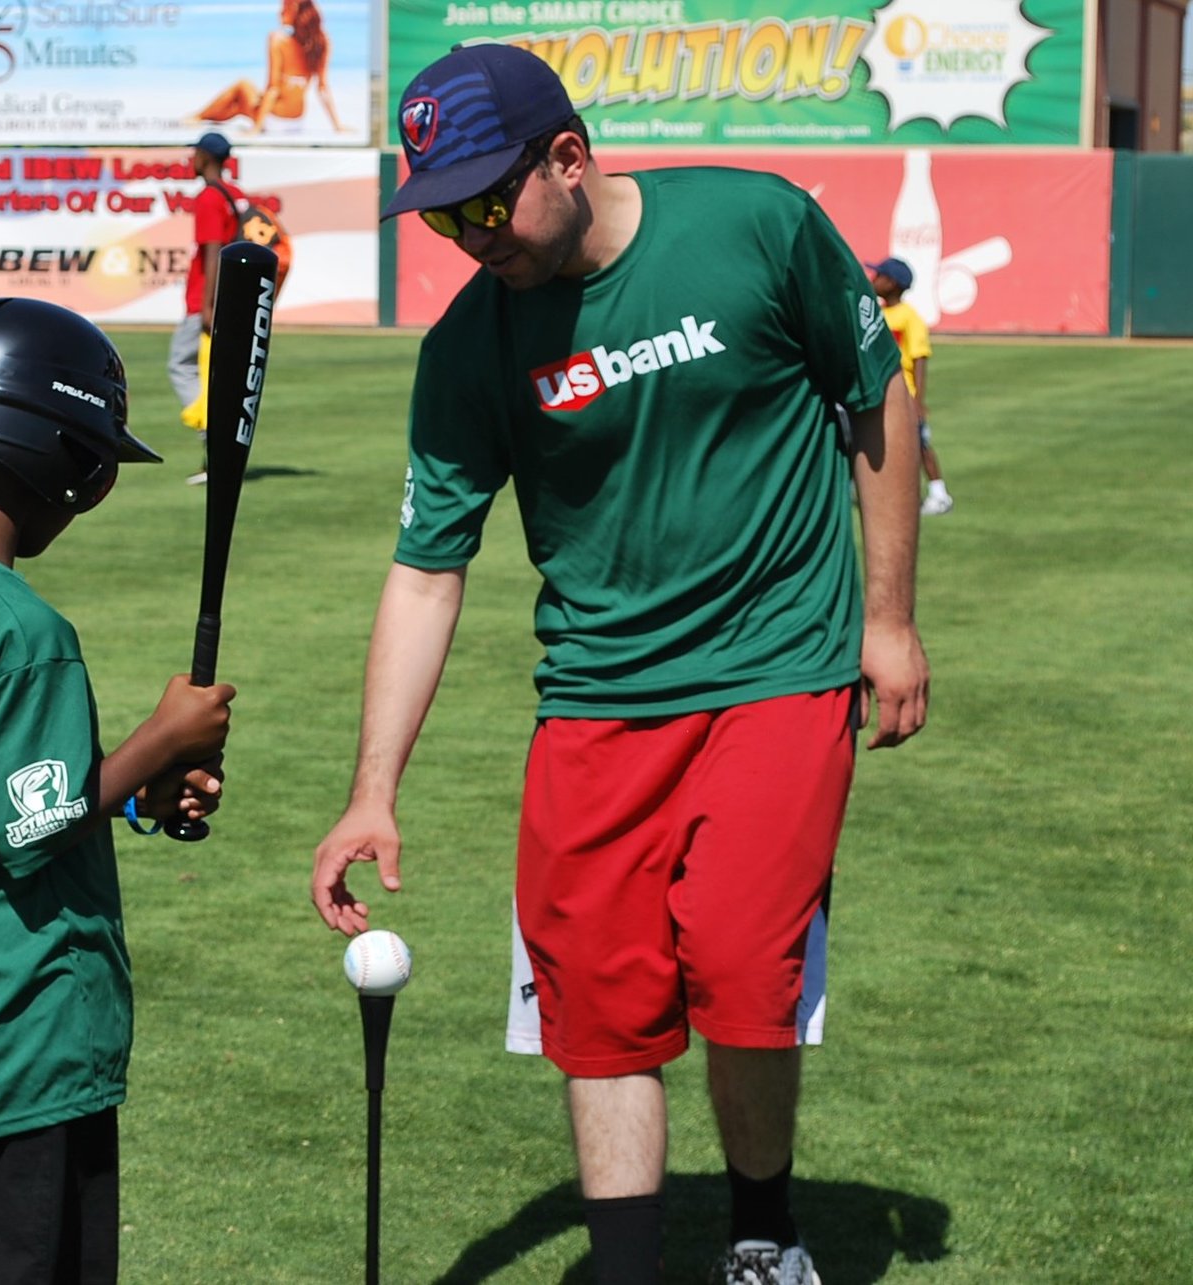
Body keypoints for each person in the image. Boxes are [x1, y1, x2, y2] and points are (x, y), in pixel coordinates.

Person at [309, 44, 929, 1285]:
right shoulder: (470, 345)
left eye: (488, 201)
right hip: (595, 695)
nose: (467, 234)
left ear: (570, 158)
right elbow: (429, 568)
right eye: (441, 212)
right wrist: (374, 784)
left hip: (777, 665)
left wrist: (890, 618)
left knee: (745, 961)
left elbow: (876, 395)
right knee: (594, 998)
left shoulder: (754, 224)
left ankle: (763, 1236)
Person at [0, 297, 236, 1284]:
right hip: (26, 1044)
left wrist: (134, 785)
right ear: (59, 456)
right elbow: (35, 825)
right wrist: (167, 737)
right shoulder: (24, 630)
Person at [167, 131, 245, 485]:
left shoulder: (210, 198)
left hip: (206, 299)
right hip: (231, 298)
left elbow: (214, 250)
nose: (191, 158)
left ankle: (211, 431)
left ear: (205, 156)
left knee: (180, 364)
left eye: (195, 152)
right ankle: (215, 448)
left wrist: (208, 304)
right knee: (213, 372)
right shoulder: (235, 195)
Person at [867, 256, 952, 516]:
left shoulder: (909, 318)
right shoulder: (876, 313)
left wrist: (917, 401)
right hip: (880, 393)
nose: (873, 279)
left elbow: (919, 357)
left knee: (919, 446)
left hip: (905, 394)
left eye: (878, 275)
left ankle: (940, 494)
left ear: (891, 284)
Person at [193, 0, 344, 135]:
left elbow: (273, 88)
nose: (279, 12)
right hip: (297, 122)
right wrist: (338, 126)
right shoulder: (321, 42)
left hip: (274, 120)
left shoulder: (278, 40)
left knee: (242, 85)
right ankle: (203, 119)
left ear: (294, 10)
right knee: (237, 108)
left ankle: (197, 117)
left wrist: (256, 129)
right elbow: (323, 88)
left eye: (284, 7)